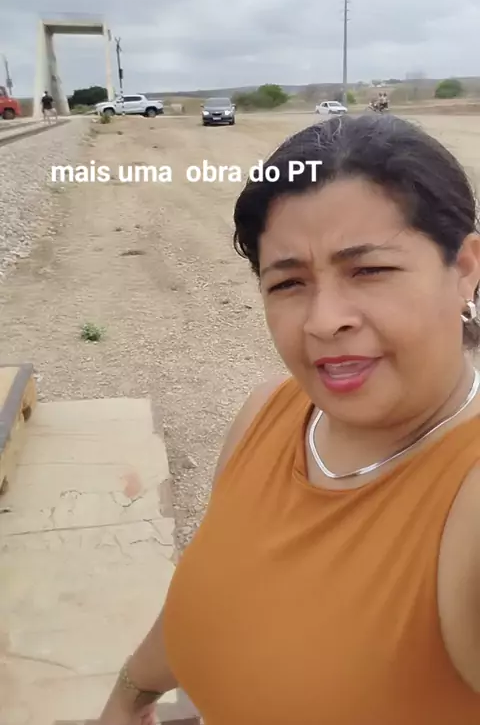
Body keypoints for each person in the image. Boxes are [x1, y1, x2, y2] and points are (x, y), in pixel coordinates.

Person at [98, 113, 480, 725]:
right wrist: (130, 692)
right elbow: (213, 599)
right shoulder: (268, 415)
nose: (324, 320)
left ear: (463, 268)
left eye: (369, 270)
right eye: (288, 283)